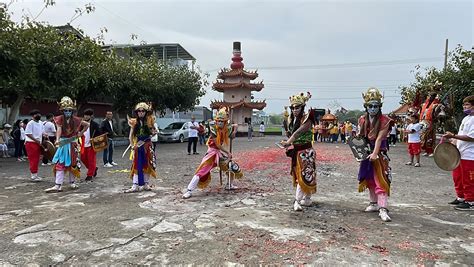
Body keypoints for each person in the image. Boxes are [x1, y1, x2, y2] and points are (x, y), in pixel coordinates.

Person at [182, 107, 239, 199]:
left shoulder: (226, 128)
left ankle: (229, 184)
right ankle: (189, 190)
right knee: (201, 172)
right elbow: (218, 145)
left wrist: (234, 133)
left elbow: (235, 125)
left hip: (219, 154)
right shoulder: (213, 129)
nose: (220, 123)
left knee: (231, 166)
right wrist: (228, 152)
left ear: (224, 122)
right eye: (218, 121)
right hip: (211, 154)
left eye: (222, 121)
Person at [357, 87, 392, 222]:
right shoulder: (362, 119)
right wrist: (358, 152)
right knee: (369, 179)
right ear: (366, 106)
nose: (373, 108)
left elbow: (379, 138)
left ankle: (383, 208)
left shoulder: (385, 120)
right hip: (366, 152)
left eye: (376, 106)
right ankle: (373, 203)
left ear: (380, 106)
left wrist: (375, 153)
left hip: (379, 153)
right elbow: (360, 137)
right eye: (370, 106)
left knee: (381, 180)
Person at [280, 92, 317, 211]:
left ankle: (299, 200)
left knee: (306, 174)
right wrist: (287, 140)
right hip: (297, 151)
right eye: (293, 108)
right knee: (300, 174)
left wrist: (289, 142)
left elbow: (298, 133)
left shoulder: (307, 118)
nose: (295, 110)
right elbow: (292, 134)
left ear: (302, 107)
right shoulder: (292, 119)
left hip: (306, 151)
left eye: (297, 107)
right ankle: (306, 198)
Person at [45, 96, 89, 193]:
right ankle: (58, 185)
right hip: (63, 143)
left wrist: (80, 134)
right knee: (60, 163)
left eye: (69, 110)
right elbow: (59, 129)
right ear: (62, 111)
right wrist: (57, 139)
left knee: (73, 164)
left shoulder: (76, 119)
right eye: (65, 110)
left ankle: (72, 182)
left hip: (73, 143)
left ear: (72, 111)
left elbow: (87, 125)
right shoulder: (59, 119)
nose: (67, 112)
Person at [443, 95, 474, 211]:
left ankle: (471, 201)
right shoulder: (466, 119)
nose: (465, 107)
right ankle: (461, 197)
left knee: (469, 179)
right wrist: (453, 140)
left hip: (470, 155)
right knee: (458, 177)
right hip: (460, 153)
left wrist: (454, 136)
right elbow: (462, 135)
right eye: (464, 105)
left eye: (468, 105)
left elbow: (471, 137)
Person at [124, 102, 157, 193]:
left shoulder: (150, 120)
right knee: (136, 164)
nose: (141, 112)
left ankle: (146, 183)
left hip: (147, 145)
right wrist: (132, 146)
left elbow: (154, 131)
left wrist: (154, 132)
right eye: (139, 111)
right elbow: (130, 135)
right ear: (137, 112)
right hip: (138, 146)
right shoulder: (134, 122)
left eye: (143, 111)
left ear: (146, 112)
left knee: (148, 164)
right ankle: (135, 185)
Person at [80, 109, 100, 181]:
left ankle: (90, 175)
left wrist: (94, 139)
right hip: (82, 145)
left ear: (91, 116)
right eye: (85, 115)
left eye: (87, 115)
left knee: (91, 160)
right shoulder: (81, 124)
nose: (85, 117)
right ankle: (94, 169)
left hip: (91, 145)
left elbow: (99, 134)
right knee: (83, 158)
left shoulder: (95, 125)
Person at [24, 110, 45, 182]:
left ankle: (35, 174)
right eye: (36, 114)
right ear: (33, 116)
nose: (38, 115)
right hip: (31, 143)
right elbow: (28, 133)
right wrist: (36, 140)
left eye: (39, 113)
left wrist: (45, 134)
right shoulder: (30, 123)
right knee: (33, 159)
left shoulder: (41, 123)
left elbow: (42, 132)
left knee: (37, 159)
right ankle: (33, 175)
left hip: (38, 143)